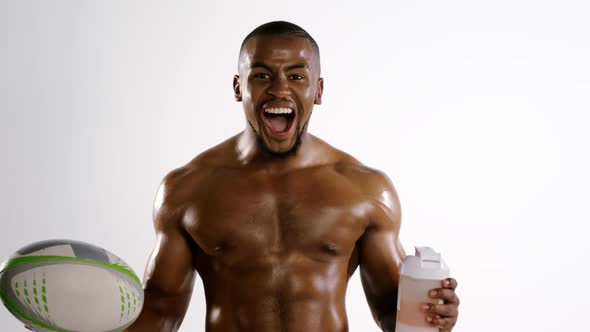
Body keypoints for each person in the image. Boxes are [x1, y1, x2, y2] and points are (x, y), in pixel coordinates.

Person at [126, 21, 460, 332]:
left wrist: (433, 314)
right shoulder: (188, 189)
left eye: (297, 77)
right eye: (261, 75)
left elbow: (391, 309)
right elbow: (162, 306)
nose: (279, 89)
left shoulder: (365, 189)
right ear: (238, 87)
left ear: (318, 90)